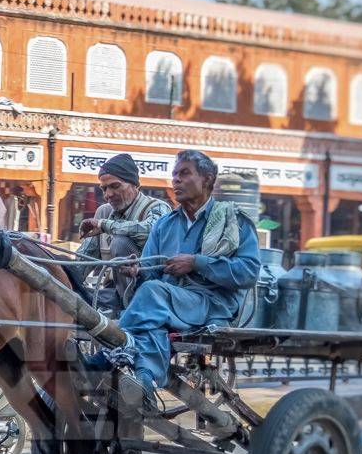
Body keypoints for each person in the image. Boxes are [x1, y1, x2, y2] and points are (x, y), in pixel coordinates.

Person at [110, 150, 260, 408]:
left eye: (184, 173)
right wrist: (136, 271)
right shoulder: (164, 225)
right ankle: (144, 381)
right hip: (169, 304)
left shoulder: (233, 220)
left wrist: (197, 262)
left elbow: (248, 272)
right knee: (151, 319)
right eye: (174, 175)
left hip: (212, 304)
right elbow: (150, 274)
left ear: (207, 179)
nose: (175, 181)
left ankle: (111, 354)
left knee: (154, 294)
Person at [77, 154, 171, 314]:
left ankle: (130, 312)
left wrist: (104, 225)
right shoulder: (103, 212)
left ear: (135, 185)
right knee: (78, 298)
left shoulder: (159, 208)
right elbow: (84, 261)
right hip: (112, 294)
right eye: (104, 189)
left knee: (120, 242)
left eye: (115, 186)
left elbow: (149, 230)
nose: (108, 194)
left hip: (149, 295)